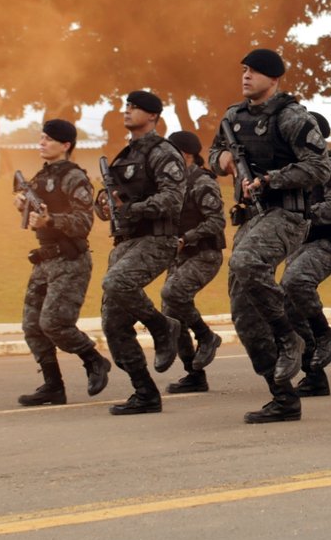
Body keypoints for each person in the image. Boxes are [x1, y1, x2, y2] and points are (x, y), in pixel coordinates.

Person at [210, 49, 330, 423]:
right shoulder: (234, 116)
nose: (246, 76)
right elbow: (214, 152)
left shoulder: (293, 116)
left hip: (287, 213)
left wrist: (270, 179)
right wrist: (224, 162)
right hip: (251, 217)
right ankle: (283, 397)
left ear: (274, 79)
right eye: (244, 69)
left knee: (245, 261)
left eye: (255, 71)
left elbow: (319, 166)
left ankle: (289, 334)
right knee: (243, 313)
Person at [97, 90, 186, 414]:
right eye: (127, 106)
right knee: (112, 323)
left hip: (156, 239)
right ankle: (145, 393)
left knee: (116, 284)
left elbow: (173, 200)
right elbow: (114, 203)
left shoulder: (163, 152)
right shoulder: (124, 155)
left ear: (153, 116)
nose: (128, 111)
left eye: (135, 107)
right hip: (126, 242)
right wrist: (107, 204)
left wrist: (132, 209)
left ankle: (163, 326)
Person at [14, 118, 111, 406]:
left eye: (48, 139)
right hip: (45, 260)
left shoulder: (75, 177)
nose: (41, 143)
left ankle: (94, 360)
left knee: (54, 323)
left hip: (70, 259)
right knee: (32, 325)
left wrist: (50, 220)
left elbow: (84, 222)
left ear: (65, 145)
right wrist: (23, 206)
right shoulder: (41, 177)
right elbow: (35, 213)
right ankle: (52, 385)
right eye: (41, 138)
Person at [281, 111, 331, 398]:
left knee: (295, 282)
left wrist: (304, 214)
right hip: (300, 242)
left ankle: (325, 335)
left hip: (329, 242)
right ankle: (314, 375)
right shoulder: (292, 167)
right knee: (288, 305)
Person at [160, 131, 228, 395]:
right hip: (180, 256)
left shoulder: (202, 182)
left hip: (204, 254)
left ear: (186, 155)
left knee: (173, 292)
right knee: (170, 314)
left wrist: (186, 238)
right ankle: (194, 374)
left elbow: (216, 222)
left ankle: (206, 336)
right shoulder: (172, 183)